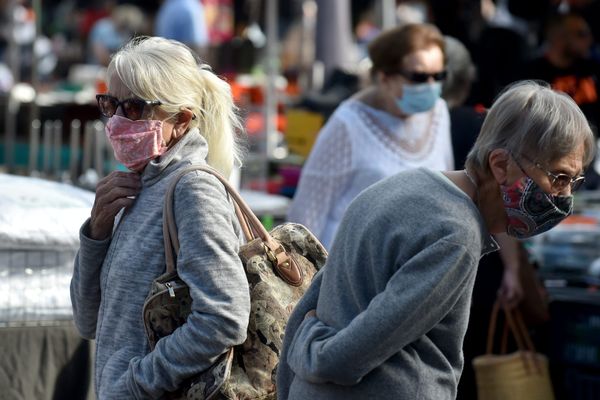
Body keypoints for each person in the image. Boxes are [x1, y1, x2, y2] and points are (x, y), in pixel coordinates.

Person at [276, 80, 595, 400]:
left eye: (573, 182)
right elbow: (348, 354)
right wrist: (309, 344)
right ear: (500, 165)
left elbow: (314, 302)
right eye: (559, 178)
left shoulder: (403, 185)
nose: (564, 197)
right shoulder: (456, 235)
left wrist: (299, 357)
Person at [70, 36, 250, 399]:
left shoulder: (192, 189)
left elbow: (224, 318)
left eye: (134, 108)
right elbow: (89, 320)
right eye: (110, 103)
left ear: (181, 119)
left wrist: (137, 384)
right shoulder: (138, 183)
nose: (118, 120)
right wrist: (96, 233)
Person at [287, 23, 453, 249]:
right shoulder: (348, 124)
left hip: (416, 265)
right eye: (419, 77)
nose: (431, 86)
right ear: (385, 77)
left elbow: (445, 188)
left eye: (439, 75)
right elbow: (307, 213)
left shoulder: (439, 113)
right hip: (351, 267)